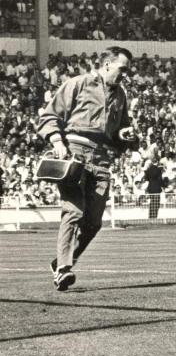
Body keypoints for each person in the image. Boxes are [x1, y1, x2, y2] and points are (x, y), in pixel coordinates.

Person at [37, 47, 137, 291]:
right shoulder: (78, 84)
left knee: (93, 223)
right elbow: (49, 116)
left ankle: (62, 261)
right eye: (122, 69)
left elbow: (120, 131)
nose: (125, 74)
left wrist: (126, 135)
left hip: (102, 159)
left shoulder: (120, 94)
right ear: (106, 65)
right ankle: (63, 269)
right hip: (75, 153)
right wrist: (58, 142)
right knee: (73, 212)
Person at [138, 148, 168, 220]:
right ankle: (154, 217)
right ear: (157, 162)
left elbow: (147, 178)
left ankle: (150, 216)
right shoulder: (158, 170)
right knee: (156, 203)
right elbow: (160, 180)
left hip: (151, 188)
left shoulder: (148, 170)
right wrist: (164, 185)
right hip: (157, 188)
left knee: (152, 203)